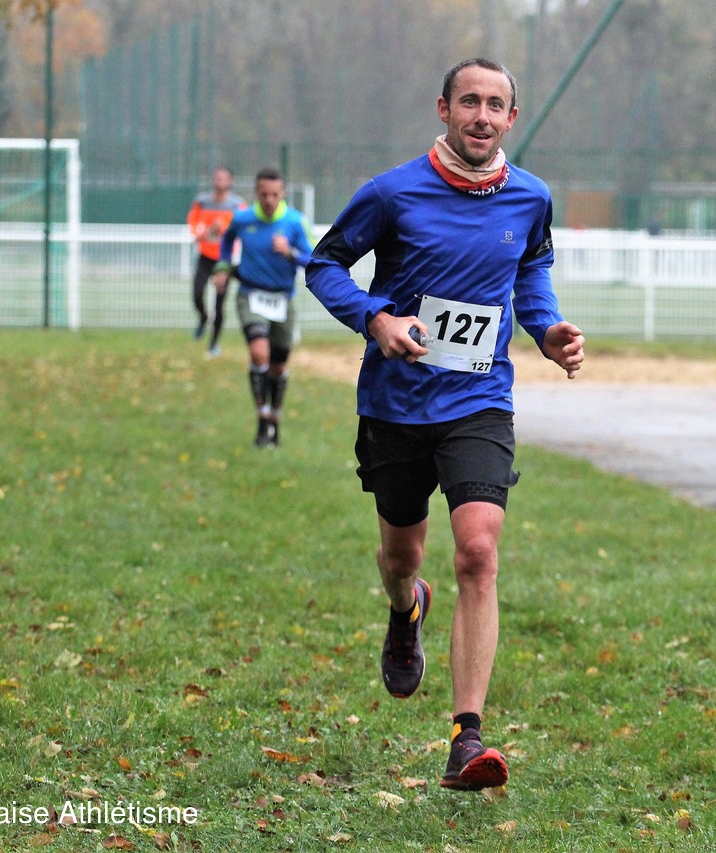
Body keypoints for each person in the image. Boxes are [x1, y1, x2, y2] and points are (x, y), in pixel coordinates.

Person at [305, 58, 584, 791]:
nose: (481, 116)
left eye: (495, 105)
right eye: (469, 102)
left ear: (511, 118)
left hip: (479, 401)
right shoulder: (392, 193)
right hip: (395, 404)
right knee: (401, 556)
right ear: (444, 108)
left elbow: (530, 273)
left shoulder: (531, 197)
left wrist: (548, 329)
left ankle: (467, 737)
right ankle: (407, 609)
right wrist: (376, 318)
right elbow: (324, 265)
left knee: (478, 552)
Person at [212, 167, 314, 448]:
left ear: (283, 194)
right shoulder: (243, 219)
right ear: (256, 193)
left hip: (283, 299)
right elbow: (227, 240)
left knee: (278, 367)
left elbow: (315, 259)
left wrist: (290, 252)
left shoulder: (295, 222)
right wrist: (223, 267)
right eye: (264, 194)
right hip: (250, 295)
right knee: (259, 354)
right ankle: (262, 419)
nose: (269, 200)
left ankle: (275, 421)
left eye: (275, 195)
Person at [186, 166, 244, 356]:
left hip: (224, 261)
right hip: (205, 257)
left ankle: (213, 344)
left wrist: (223, 229)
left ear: (230, 181)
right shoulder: (202, 202)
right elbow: (194, 226)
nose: (219, 182)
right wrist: (206, 231)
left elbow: (242, 228)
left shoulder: (237, 205)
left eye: (223, 178)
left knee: (220, 304)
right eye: (217, 178)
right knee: (197, 294)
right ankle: (203, 317)